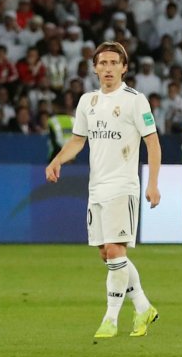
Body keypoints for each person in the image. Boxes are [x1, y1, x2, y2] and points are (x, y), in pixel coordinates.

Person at [45, 41, 162, 339]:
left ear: (124, 67)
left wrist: (152, 183)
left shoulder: (135, 100)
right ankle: (143, 306)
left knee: (114, 250)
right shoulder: (88, 101)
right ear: (94, 67)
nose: (108, 68)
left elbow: (152, 142)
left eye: (114, 63)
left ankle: (110, 319)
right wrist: (57, 160)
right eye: (103, 63)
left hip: (123, 186)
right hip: (96, 187)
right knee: (106, 254)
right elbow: (77, 140)